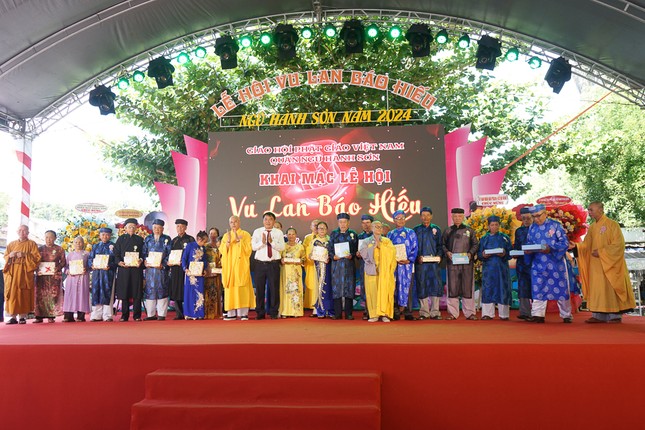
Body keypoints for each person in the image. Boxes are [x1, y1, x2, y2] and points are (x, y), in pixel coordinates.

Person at [572, 202, 636, 323]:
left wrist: (602, 252)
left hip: (610, 264)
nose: (589, 212)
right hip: (595, 265)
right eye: (588, 210)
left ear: (601, 209)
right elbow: (586, 245)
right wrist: (576, 246)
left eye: (591, 210)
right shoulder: (592, 227)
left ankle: (615, 315)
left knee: (610, 287)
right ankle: (598, 315)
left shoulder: (612, 224)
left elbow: (619, 245)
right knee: (597, 289)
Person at [524, 204, 573, 323]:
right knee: (538, 287)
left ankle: (566, 314)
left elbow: (564, 243)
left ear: (545, 214)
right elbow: (529, 242)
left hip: (556, 264)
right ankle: (537, 315)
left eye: (538, 216)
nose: (536, 219)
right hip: (538, 263)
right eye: (533, 216)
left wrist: (550, 248)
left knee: (561, 288)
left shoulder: (555, 225)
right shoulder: (532, 228)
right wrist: (528, 250)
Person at [442, 208, 479, 320]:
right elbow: (442, 245)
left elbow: (475, 245)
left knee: (468, 288)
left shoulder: (469, 231)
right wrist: (447, 252)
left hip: (467, 264)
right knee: (452, 288)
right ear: (452, 217)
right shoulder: (448, 231)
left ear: (463, 217)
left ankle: (470, 313)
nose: (457, 218)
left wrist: (470, 253)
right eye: (455, 216)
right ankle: (453, 313)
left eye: (459, 216)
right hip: (452, 265)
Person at [220, 216, 255, 321]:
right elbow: (222, 250)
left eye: (235, 222)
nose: (233, 224)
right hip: (230, 267)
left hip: (241, 266)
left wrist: (240, 241)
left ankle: (243, 313)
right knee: (230, 289)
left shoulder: (245, 234)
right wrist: (227, 243)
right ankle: (231, 313)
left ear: (239, 222)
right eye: (231, 222)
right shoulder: (226, 235)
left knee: (242, 288)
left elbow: (248, 250)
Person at [3, 224, 41, 325]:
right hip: (13, 272)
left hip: (25, 272)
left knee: (24, 292)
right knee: (12, 293)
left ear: (28, 232)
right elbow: (5, 256)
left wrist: (25, 255)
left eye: (24, 230)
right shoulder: (11, 244)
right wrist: (10, 256)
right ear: (17, 232)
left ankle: (22, 316)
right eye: (20, 230)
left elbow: (37, 258)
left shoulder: (32, 244)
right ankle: (12, 316)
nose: (22, 232)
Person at [360, 221, 397, 322]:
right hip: (372, 270)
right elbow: (363, 253)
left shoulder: (386, 241)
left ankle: (385, 314)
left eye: (380, 227)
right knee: (372, 292)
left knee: (385, 291)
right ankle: (374, 315)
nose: (379, 228)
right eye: (376, 227)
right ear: (371, 228)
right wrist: (373, 248)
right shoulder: (367, 241)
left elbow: (392, 253)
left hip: (384, 271)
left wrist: (381, 247)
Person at [477, 216, 513, 320]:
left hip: (502, 269)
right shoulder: (484, 239)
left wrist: (504, 253)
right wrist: (483, 255)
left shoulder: (505, 238)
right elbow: (479, 254)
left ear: (499, 225)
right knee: (488, 289)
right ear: (488, 226)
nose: (494, 227)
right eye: (492, 225)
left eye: (496, 224)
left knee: (503, 289)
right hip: (488, 269)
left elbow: (510, 253)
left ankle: (504, 314)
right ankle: (487, 314)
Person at [251, 211, 285, 319]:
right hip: (260, 264)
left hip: (273, 264)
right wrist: (262, 242)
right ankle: (260, 313)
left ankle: (274, 312)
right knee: (259, 289)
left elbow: (282, 247)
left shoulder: (278, 233)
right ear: (263, 221)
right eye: (266, 219)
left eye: (270, 219)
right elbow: (253, 247)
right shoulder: (257, 231)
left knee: (274, 289)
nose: (268, 222)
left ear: (274, 221)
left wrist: (272, 242)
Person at [413, 206, 444, 320]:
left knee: (435, 286)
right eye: (423, 215)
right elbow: (413, 247)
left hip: (434, 264)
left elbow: (440, 246)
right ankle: (424, 312)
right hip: (421, 264)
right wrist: (417, 257)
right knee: (422, 286)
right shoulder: (416, 230)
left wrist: (439, 256)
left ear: (431, 216)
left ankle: (435, 312)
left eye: (428, 215)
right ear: (420, 217)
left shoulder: (436, 229)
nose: (425, 217)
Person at [388, 210, 418, 320]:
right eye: (398, 218)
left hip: (408, 265)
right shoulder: (390, 234)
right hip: (395, 266)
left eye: (403, 218)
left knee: (408, 287)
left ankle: (408, 312)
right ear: (394, 220)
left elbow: (415, 247)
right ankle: (395, 311)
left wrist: (409, 260)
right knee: (395, 288)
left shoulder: (411, 232)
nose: (401, 220)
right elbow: (388, 250)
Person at [113, 218, 144, 322]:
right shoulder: (121, 239)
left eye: (133, 227)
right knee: (124, 292)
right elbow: (116, 254)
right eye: (129, 227)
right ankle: (124, 315)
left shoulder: (140, 239)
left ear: (136, 228)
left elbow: (144, 253)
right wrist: (119, 262)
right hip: (124, 269)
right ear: (125, 228)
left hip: (136, 270)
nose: (131, 228)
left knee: (137, 292)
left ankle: (137, 315)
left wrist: (141, 260)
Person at [34, 230, 66, 323]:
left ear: (55, 238)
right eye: (47, 237)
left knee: (52, 295)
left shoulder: (59, 249)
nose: (48, 239)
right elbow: (35, 262)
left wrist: (58, 268)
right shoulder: (39, 249)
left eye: (51, 237)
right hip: (41, 276)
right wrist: (37, 270)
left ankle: (51, 315)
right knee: (40, 295)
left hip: (54, 276)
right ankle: (39, 316)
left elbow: (63, 262)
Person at [142, 219, 171, 320]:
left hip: (161, 270)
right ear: (152, 228)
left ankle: (162, 314)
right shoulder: (148, 239)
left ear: (163, 229)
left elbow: (170, 254)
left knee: (162, 290)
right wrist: (145, 261)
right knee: (150, 291)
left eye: (159, 228)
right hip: (150, 271)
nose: (157, 230)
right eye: (155, 228)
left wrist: (163, 265)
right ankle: (151, 314)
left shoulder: (167, 239)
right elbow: (144, 252)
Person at [168, 219, 195, 320]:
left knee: (187, 289)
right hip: (175, 268)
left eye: (182, 226)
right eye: (177, 226)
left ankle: (189, 312)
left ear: (186, 227)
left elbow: (194, 253)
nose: (179, 228)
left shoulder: (190, 239)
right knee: (176, 290)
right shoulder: (173, 240)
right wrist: (169, 262)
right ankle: (179, 313)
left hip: (186, 269)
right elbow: (169, 253)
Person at [88, 227, 116, 321]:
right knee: (96, 292)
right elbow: (90, 258)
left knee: (107, 292)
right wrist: (91, 265)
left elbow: (116, 260)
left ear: (110, 236)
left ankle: (107, 315)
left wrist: (110, 266)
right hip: (97, 273)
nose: (105, 236)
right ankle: (96, 315)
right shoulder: (95, 246)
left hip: (108, 273)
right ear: (99, 236)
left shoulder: (114, 246)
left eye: (107, 235)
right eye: (103, 234)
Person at [308, 221, 334, 318]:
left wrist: (330, 257)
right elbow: (310, 255)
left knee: (329, 288)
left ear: (327, 230)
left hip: (329, 267)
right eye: (320, 228)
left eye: (324, 228)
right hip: (319, 267)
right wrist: (313, 256)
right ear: (317, 230)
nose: (322, 230)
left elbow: (334, 253)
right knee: (320, 286)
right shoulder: (314, 241)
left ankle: (330, 310)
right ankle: (321, 310)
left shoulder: (330, 240)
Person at [62, 236, 90, 322]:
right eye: (76, 242)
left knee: (82, 295)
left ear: (83, 243)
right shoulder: (70, 255)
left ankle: (80, 316)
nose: (78, 244)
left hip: (82, 277)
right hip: (71, 278)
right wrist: (68, 271)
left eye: (80, 242)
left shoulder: (87, 254)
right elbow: (65, 267)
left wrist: (86, 269)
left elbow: (91, 265)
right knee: (70, 295)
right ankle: (68, 316)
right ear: (73, 244)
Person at [182, 230, 209, 320]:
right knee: (189, 293)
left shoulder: (203, 248)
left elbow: (205, 260)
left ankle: (199, 313)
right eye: (204, 241)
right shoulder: (190, 246)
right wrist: (185, 268)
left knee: (199, 293)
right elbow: (184, 258)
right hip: (191, 274)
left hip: (199, 274)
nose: (205, 243)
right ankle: (189, 314)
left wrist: (204, 269)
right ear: (199, 239)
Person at [279, 228, 305, 317]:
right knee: (286, 290)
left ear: (296, 235)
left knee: (296, 291)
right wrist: (281, 260)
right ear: (286, 235)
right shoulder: (283, 246)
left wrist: (301, 261)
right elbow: (279, 258)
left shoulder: (300, 247)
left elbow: (303, 258)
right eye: (289, 234)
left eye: (293, 234)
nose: (291, 236)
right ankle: (285, 311)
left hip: (296, 272)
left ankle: (296, 311)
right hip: (285, 271)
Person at [513, 207, 533, 319]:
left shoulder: (536, 229)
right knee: (523, 286)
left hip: (534, 263)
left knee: (535, 286)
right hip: (521, 263)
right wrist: (514, 253)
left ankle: (536, 312)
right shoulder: (519, 231)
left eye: (528, 218)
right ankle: (525, 312)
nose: (526, 221)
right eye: (523, 218)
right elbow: (516, 246)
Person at [356, 214, 374, 320]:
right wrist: (357, 254)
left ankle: (375, 310)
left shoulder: (376, 235)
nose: (366, 225)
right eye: (363, 223)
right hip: (363, 265)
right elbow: (356, 253)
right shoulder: (359, 237)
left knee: (374, 287)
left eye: (368, 223)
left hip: (374, 265)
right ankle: (367, 310)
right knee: (365, 287)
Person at [204, 227, 223, 319]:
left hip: (217, 272)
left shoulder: (221, 246)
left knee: (217, 292)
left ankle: (217, 313)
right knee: (207, 291)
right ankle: (207, 313)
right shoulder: (205, 246)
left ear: (218, 235)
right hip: (208, 272)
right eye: (211, 233)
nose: (212, 235)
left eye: (214, 233)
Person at [302, 219, 320, 313]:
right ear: (310, 227)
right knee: (310, 283)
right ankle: (309, 304)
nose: (316, 227)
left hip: (320, 264)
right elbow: (303, 250)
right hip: (310, 265)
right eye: (314, 225)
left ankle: (318, 305)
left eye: (318, 225)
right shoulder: (308, 238)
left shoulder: (326, 237)